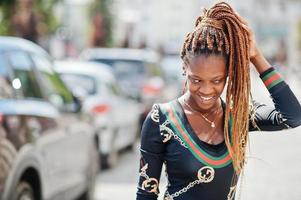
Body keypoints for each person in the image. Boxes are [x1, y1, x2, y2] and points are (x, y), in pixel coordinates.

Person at [136, 2, 301, 200]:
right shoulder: (161, 119)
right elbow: (146, 194)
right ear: (184, 69)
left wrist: (256, 56)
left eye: (217, 81)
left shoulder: (239, 116)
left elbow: (292, 116)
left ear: (228, 74)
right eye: (196, 80)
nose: (206, 90)